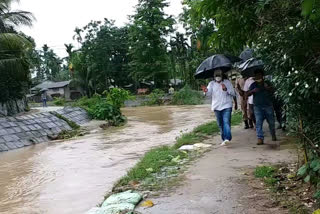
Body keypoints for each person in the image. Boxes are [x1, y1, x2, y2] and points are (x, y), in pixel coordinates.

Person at [205, 69, 236, 146]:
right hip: (216, 106)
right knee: (220, 124)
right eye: (216, 75)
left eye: (219, 75)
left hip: (227, 105)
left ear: (222, 76)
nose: (218, 77)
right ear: (214, 76)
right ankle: (224, 139)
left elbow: (233, 93)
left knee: (226, 122)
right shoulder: (211, 84)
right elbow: (208, 94)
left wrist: (226, 89)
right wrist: (205, 91)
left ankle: (227, 138)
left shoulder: (227, 82)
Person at [247, 70, 276, 145]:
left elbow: (274, 91)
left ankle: (273, 134)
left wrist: (268, 88)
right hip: (257, 106)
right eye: (256, 76)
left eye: (260, 75)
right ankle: (260, 138)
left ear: (262, 76)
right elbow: (247, 94)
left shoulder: (267, 83)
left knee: (271, 122)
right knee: (258, 123)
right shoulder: (253, 85)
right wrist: (253, 91)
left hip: (268, 105)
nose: (258, 77)